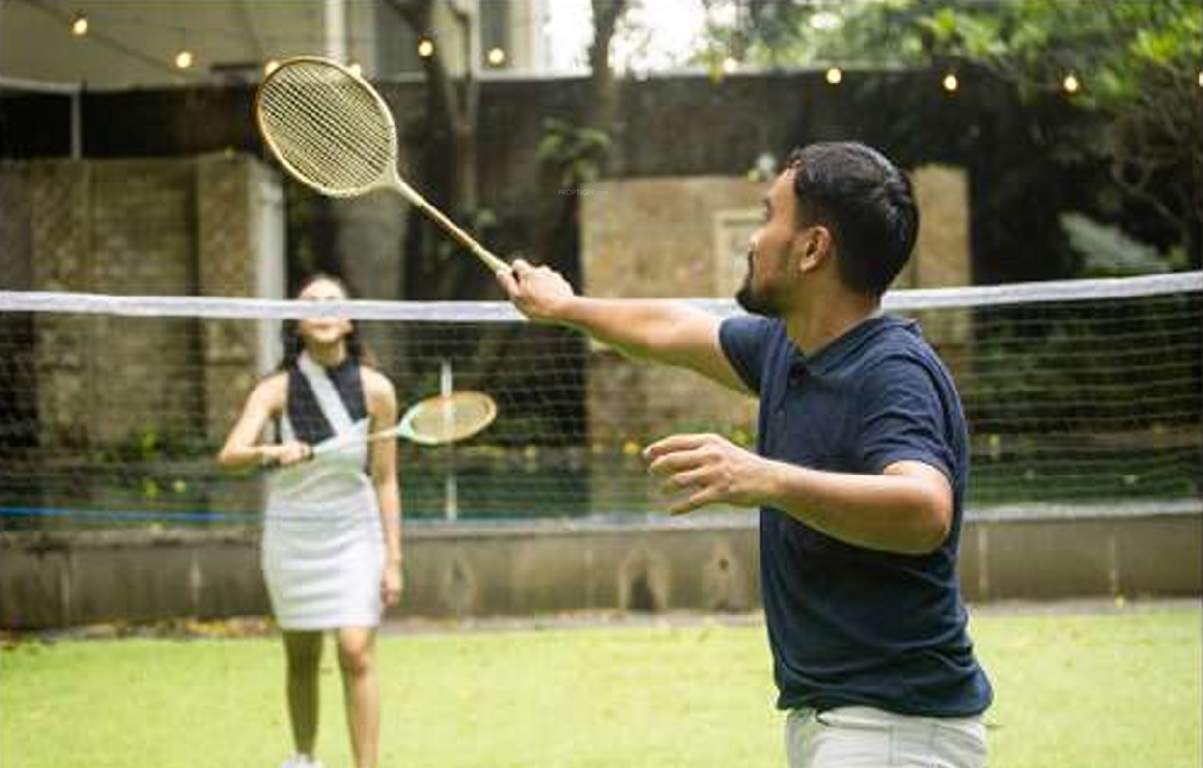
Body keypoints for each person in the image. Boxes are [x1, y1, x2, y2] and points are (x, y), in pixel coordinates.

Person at [497, 141, 992, 768]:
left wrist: (766, 478)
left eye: (767, 217)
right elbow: (669, 330)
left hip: (893, 729)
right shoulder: (790, 348)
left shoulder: (891, 371)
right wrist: (565, 308)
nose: (752, 240)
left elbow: (924, 509)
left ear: (813, 248)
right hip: (844, 719)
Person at [218, 274, 403, 768]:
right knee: (300, 654)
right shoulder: (275, 389)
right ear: (297, 322)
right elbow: (231, 454)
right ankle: (304, 758)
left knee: (355, 649)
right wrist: (272, 451)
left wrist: (393, 561)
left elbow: (385, 480)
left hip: (354, 532)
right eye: (310, 303)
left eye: (333, 302)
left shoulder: (377, 391)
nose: (322, 309)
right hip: (292, 535)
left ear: (350, 319)